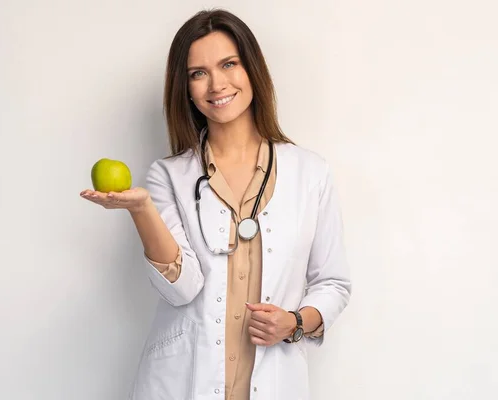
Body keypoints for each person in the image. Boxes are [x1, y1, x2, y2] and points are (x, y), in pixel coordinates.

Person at [80, 8, 351, 400]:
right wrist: (141, 210)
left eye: (229, 64)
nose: (216, 84)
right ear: (185, 88)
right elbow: (182, 288)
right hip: (182, 384)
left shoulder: (311, 172)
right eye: (197, 73)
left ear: (252, 69)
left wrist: (293, 323)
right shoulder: (168, 176)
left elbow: (333, 283)